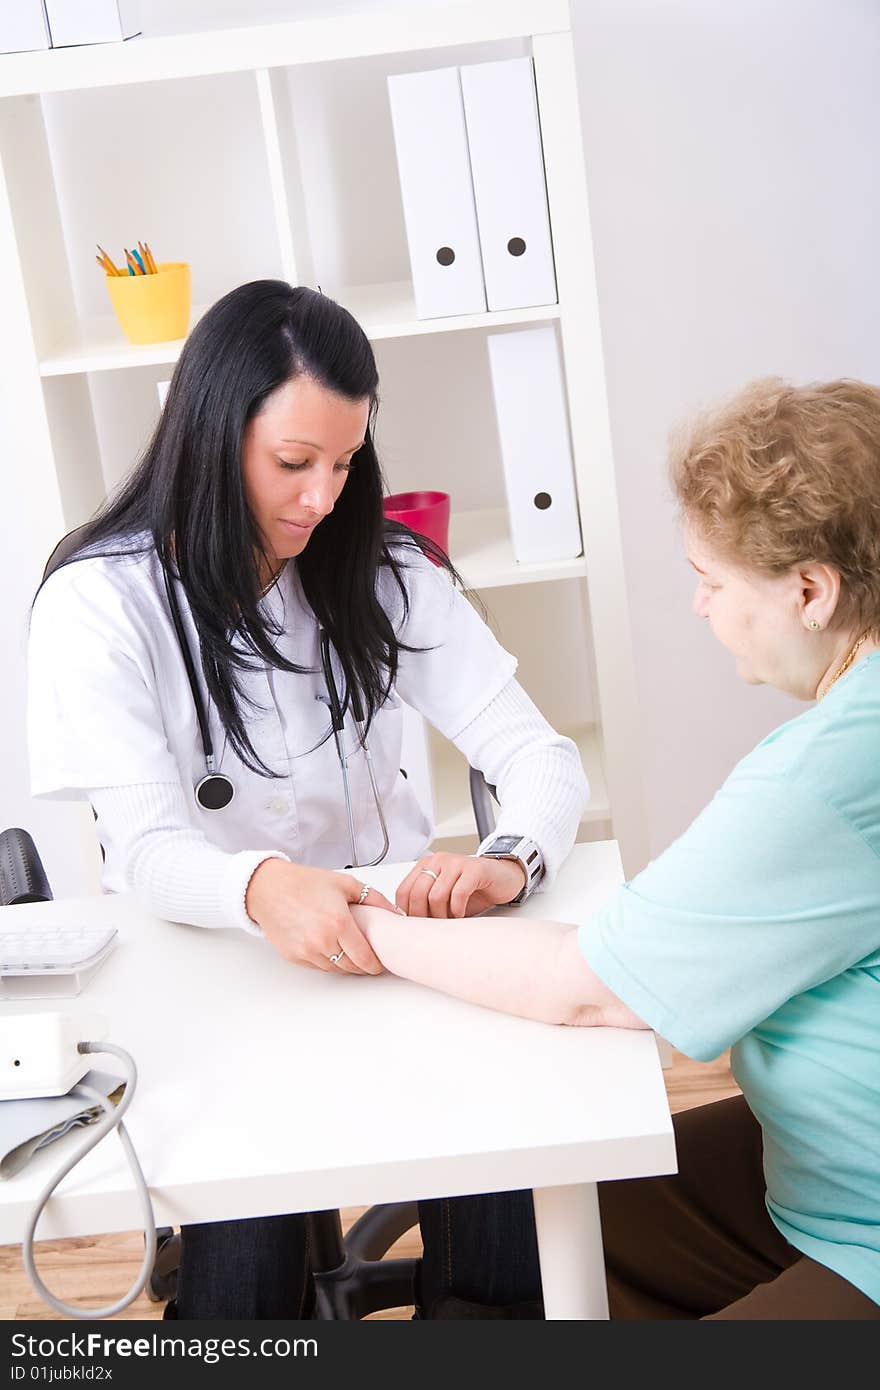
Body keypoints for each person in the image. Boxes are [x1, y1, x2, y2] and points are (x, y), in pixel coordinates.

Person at [25, 280, 588, 1319]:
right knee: (245, 1304)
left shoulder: (385, 570)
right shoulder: (99, 602)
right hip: (215, 972)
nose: (323, 497)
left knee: (515, 1238)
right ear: (207, 433)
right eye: (294, 463)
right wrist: (261, 888)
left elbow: (542, 756)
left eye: (343, 463)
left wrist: (510, 854)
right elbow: (147, 848)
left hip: (398, 957)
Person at [352, 376, 880, 1320]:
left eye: (711, 581)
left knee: (536, 1265)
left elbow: (591, 992)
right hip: (828, 1173)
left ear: (811, 590)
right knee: (537, 1244)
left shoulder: (830, 773)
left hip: (864, 1221)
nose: (698, 607)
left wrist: (363, 925)